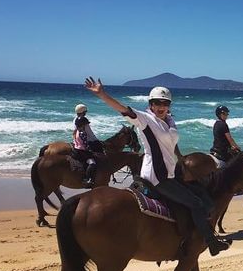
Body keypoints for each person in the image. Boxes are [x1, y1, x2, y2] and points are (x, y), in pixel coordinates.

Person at [84, 77, 231, 256]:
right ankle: (211, 243)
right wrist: (102, 94)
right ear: (151, 104)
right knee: (197, 204)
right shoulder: (145, 119)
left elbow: (170, 144)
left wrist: (181, 159)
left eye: (165, 103)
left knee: (202, 193)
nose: (161, 106)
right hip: (156, 176)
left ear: (169, 105)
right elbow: (123, 109)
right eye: (157, 103)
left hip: (169, 173)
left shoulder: (169, 120)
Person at [72, 103, 104, 187]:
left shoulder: (75, 121)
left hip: (76, 146)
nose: (86, 113)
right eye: (85, 112)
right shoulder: (82, 130)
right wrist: (96, 144)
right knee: (93, 162)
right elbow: (88, 138)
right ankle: (87, 179)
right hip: (81, 150)